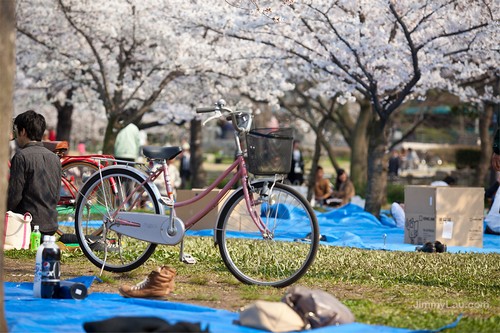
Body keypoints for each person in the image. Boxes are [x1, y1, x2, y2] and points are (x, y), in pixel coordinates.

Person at [8, 110, 62, 237]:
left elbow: (14, 197)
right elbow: (56, 196)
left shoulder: (21, 157)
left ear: (23, 132)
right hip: (51, 226)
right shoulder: (54, 158)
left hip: (27, 225)